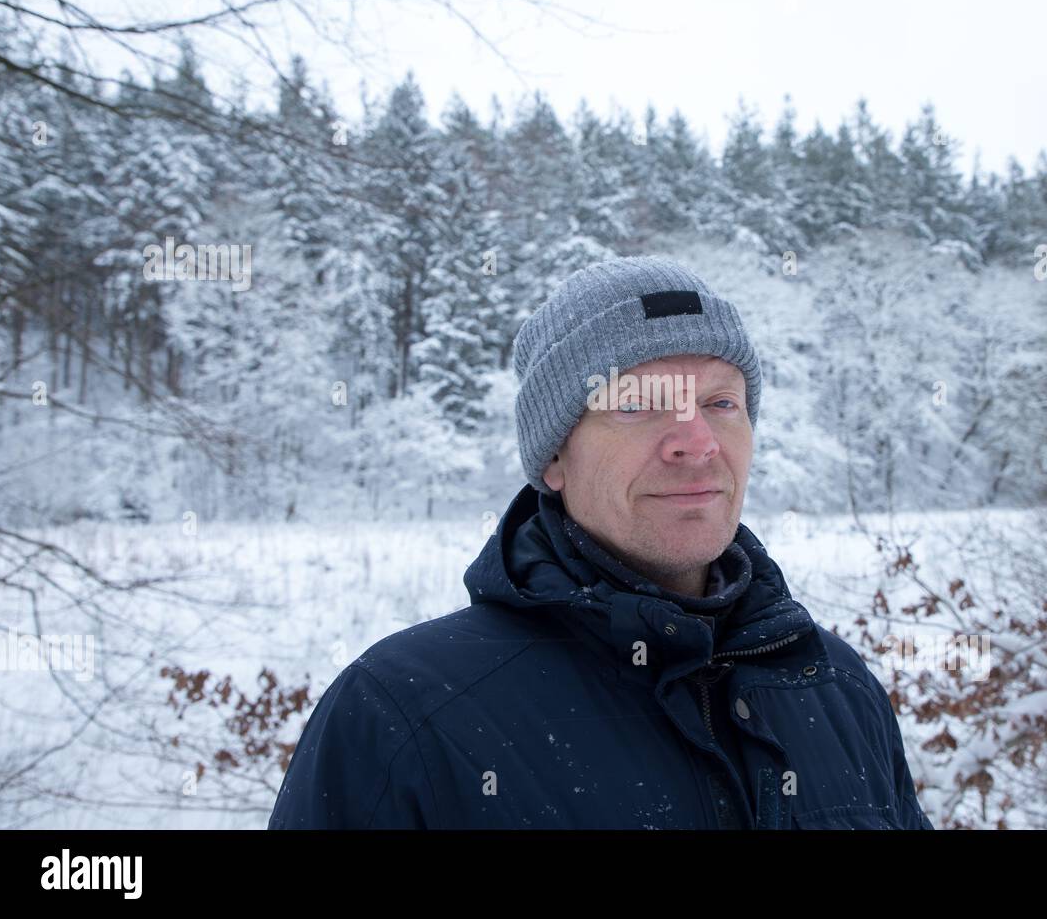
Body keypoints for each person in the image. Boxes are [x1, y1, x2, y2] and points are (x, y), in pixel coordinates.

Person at [268, 255, 934, 829]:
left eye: (721, 404)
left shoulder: (833, 685)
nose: (696, 442)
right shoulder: (405, 712)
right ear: (554, 456)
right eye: (638, 405)